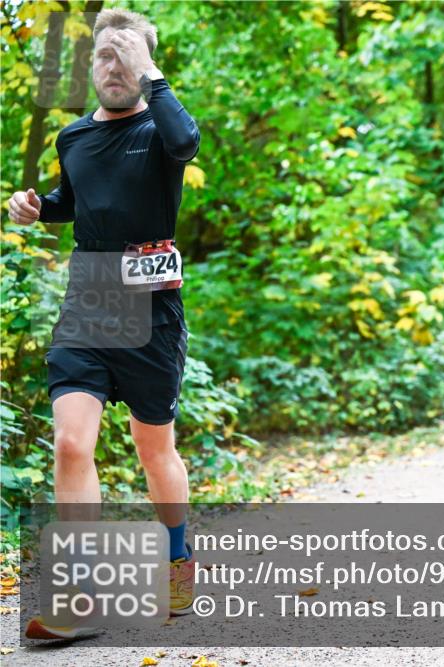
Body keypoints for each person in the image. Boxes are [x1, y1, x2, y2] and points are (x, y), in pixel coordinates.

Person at [7, 8, 200, 636]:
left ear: (145, 66)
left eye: (124, 56)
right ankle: (78, 597)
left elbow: (186, 144)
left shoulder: (161, 126)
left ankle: (178, 561)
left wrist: (153, 76)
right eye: (101, 56)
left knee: (154, 450)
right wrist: (38, 208)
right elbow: (78, 200)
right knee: (70, 442)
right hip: (89, 299)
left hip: (151, 310)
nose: (111, 67)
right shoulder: (73, 138)